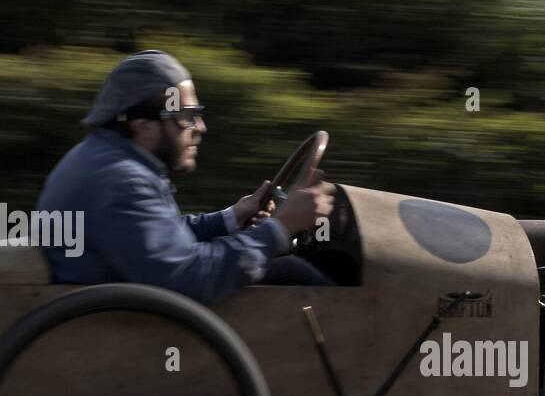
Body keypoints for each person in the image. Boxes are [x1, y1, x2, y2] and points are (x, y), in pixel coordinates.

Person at [37, 50, 335, 304]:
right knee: (295, 273)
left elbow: (154, 233)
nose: (200, 127)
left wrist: (230, 218)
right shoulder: (121, 181)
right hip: (135, 328)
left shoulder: (102, 159)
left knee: (287, 269)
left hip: (124, 307)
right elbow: (188, 278)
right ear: (144, 126)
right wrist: (281, 229)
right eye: (187, 116)